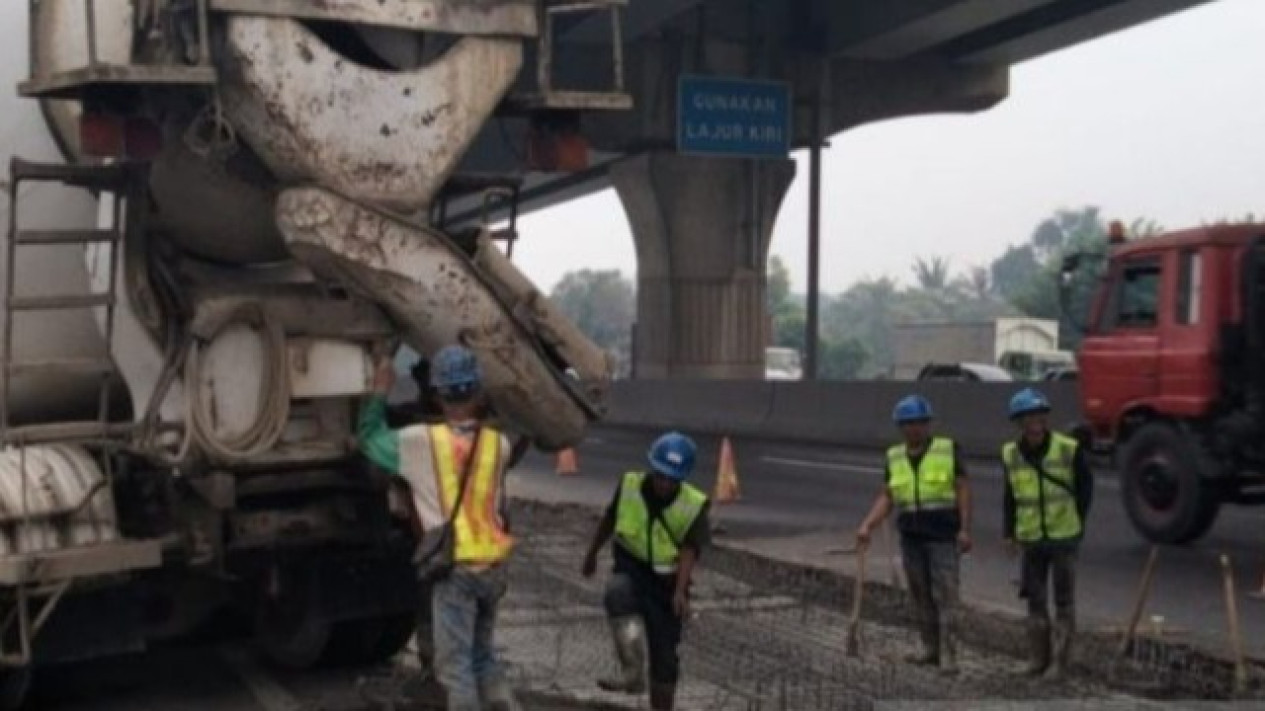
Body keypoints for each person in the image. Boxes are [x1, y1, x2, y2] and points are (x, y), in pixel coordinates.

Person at [359, 345, 520, 711]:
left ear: (437, 393)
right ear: (477, 390)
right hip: (494, 566)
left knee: (456, 670)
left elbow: (368, 439)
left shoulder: (420, 442)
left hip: (457, 569)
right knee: (482, 657)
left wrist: (380, 389)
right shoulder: (500, 445)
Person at [581, 432, 711, 711]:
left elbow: (690, 549)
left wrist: (680, 590)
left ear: (681, 478)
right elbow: (609, 518)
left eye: (671, 479)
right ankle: (632, 671)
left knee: (665, 662)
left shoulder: (693, 505)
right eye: (660, 475)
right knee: (617, 592)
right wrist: (591, 554)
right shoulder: (630, 485)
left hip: (666, 586)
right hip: (632, 570)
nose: (663, 483)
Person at [856, 395, 972, 674]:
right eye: (908, 424)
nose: (914, 429)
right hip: (912, 537)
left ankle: (949, 656)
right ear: (901, 427)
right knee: (920, 596)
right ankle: (930, 649)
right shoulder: (895, 456)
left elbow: (963, 489)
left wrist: (965, 529)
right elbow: (888, 496)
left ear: (928, 424)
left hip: (942, 535)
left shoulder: (947, 450)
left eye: (919, 423)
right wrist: (867, 525)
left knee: (946, 596)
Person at [1001, 387, 1093, 680]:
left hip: (1063, 537)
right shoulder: (1011, 454)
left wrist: (1075, 522)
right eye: (1028, 417)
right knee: (1035, 601)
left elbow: (1084, 490)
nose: (1034, 422)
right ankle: (1036, 660)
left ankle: (1061, 664)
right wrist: (1009, 532)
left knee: (1064, 602)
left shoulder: (1068, 448)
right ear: (1019, 422)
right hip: (1031, 539)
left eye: (1039, 416)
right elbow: (1010, 496)